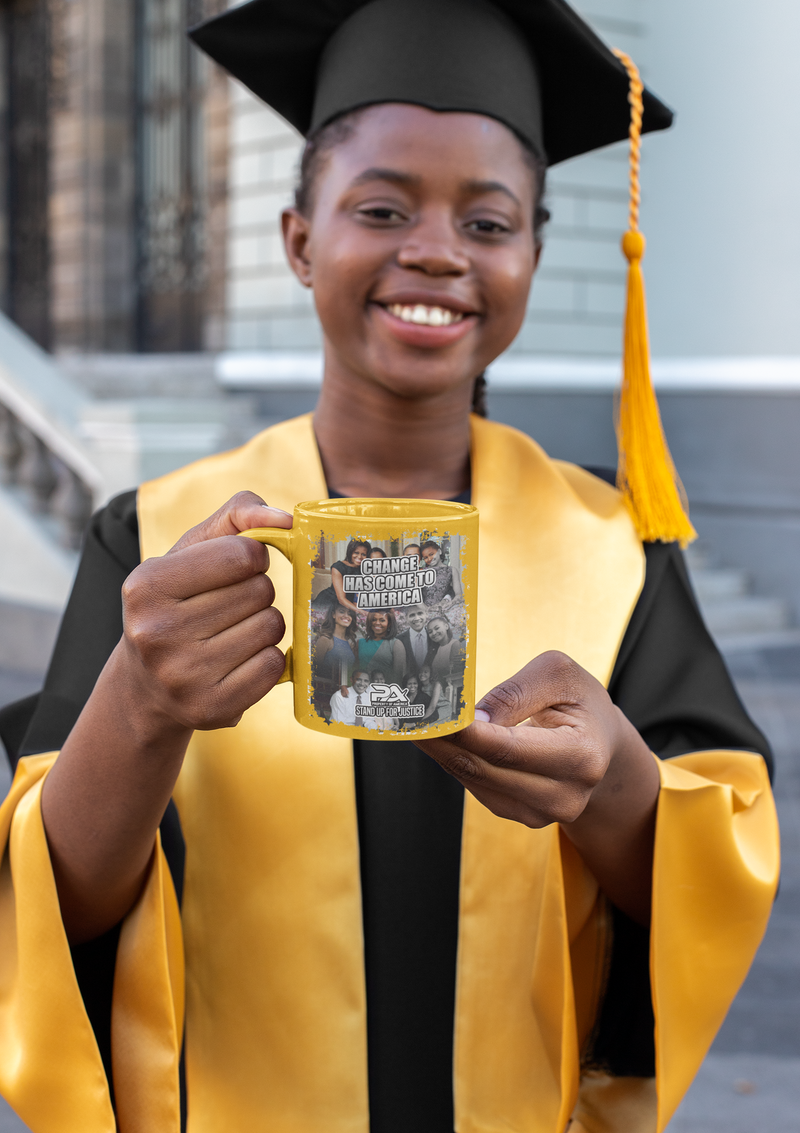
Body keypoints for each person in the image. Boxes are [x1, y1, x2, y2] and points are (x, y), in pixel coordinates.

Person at [0, 3, 778, 1133]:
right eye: (379, 206)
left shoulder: (612, 547)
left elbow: (713, 865)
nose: (435, 250)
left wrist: (613, 786)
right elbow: (49, 908)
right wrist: (139, 703)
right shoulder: (159, 536)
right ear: (297, 237)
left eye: (487, 219)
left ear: (532, 253)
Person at [313, 603, 359, 716]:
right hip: (327, 695)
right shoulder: (325, 640)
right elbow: (315, 670)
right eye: (342, 611)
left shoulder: (351, 644)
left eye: (350, 614)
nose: (346, 616)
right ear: (333, 614)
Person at [312, 537, 370, 612]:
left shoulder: (366, 568)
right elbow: (341, 599)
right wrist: (361, 612)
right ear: (350, 552)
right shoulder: (338, 567)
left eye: (363, 554)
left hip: (351, 604)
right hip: (330, 601)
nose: (359, 557)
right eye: (356, 552)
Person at [357, 610, 405, 686]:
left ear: (389, 624)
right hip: (362, 691)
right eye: (374, 620)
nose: (377, 623)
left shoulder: (396, 644)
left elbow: (398, 677)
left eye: (382, 620)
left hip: (384, 692)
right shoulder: (360, 643)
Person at [420, 540, 463, 607]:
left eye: (431, 554)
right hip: (427, 611)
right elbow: (417, 598)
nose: (429, 558)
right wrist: (427, 610)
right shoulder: (422, 572)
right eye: (426, 557)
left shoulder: (452, 570)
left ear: (439, 551)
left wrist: (449, 604)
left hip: (446, 608)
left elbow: (459, 594)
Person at [397, 603, 431, 677]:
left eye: (420, 613)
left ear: (426, 614)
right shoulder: (399, 640)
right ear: (406, 618)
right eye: (412, 615)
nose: (417, 618)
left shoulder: (434, 637)